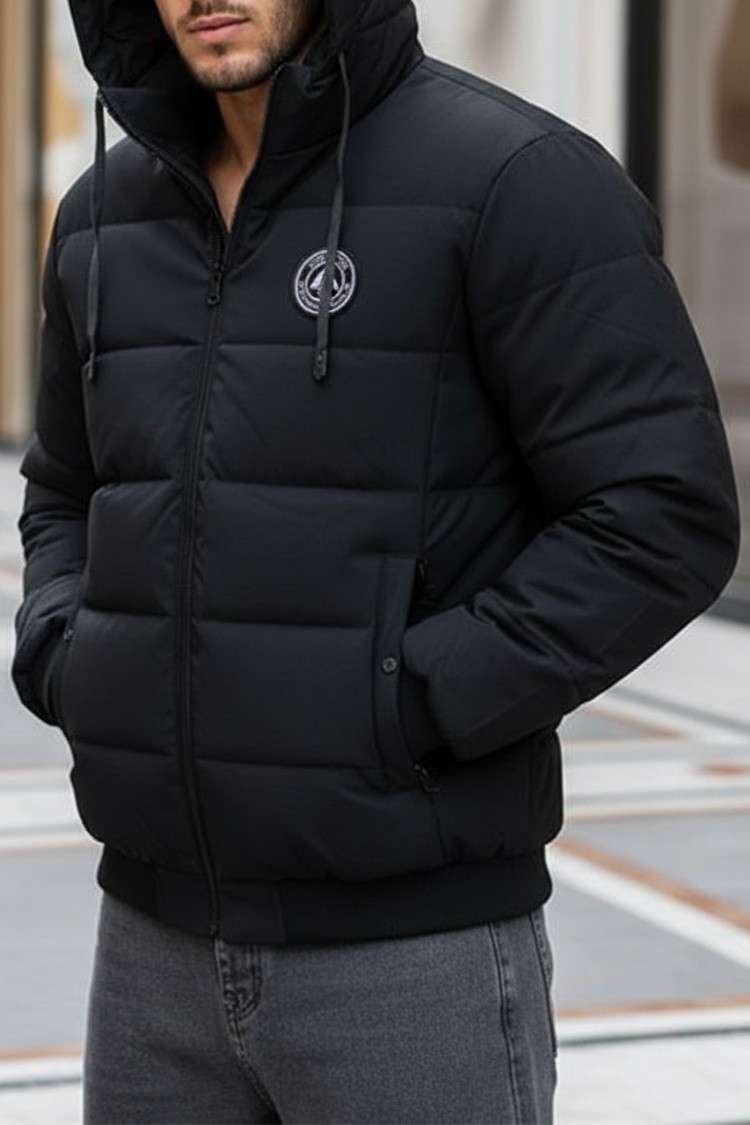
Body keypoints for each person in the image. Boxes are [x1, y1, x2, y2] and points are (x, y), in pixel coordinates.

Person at [12, 1, 739, 1122]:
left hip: (410, 955)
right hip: (151, 951)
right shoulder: (101, 216)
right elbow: (65, 486)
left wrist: (409, 702)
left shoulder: (518, 179)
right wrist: (68, 651)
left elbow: (661, 512)